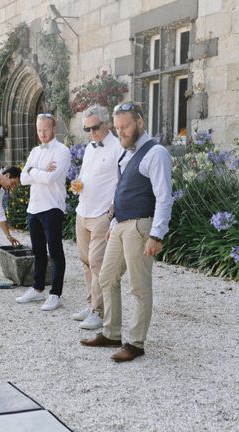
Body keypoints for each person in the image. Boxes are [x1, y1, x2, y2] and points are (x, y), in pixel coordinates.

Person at [80, 102, 173, 362]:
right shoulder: (126, 154)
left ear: (140, 122)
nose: (121, 132)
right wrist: (112, 224)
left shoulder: (156, 153)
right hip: (120, 225)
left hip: (141, 226)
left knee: (139, 287)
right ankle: (111, 333)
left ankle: (136, 343)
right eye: (118, 127)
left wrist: (157, 235)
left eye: (126, 126)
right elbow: (121, 192)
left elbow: (164, 197)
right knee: (107, 277)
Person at [69, 105, 122, 330]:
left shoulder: (118, 147)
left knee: (98, 263)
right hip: (83, 211)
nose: (92, 133)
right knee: (85, 263)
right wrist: (76, 185)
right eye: (87, 129)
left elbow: (122, 182)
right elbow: (84, 176)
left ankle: (99, 313)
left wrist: (112, 212)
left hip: (102, 213)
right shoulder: (90, 147)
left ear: (106, 123)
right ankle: (91, 305)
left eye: (95, 128)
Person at [16, 113, 71, 311]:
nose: (42, 134)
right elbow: (22, 178)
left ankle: (55, 294)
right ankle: (37, 289)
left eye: (45, 130)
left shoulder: (62, 151)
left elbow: (51, 178)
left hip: (52, 206)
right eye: (39, 130)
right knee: (38, 251)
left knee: (55, 251)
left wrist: (33, 171)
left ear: (53, 128)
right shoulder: (35, 151)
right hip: (34, 207)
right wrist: (39, 169)